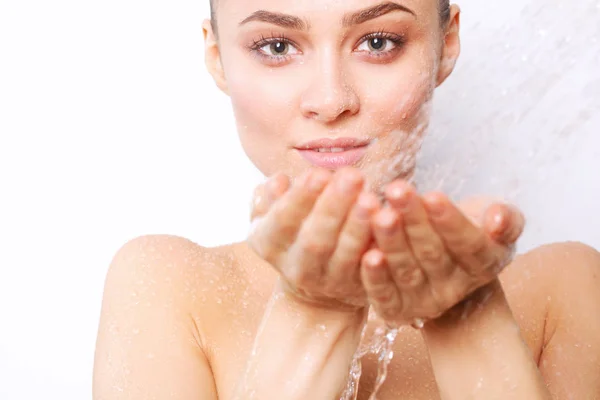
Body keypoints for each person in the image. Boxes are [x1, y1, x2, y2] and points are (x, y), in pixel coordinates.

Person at [92, 0, 600, 399]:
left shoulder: (565, 291)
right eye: (275, 47)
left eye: (379, 41)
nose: (332, 100)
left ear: (446, 44)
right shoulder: (168, 287)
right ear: (217, 56)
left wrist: (467, 316)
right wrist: (314, 306)